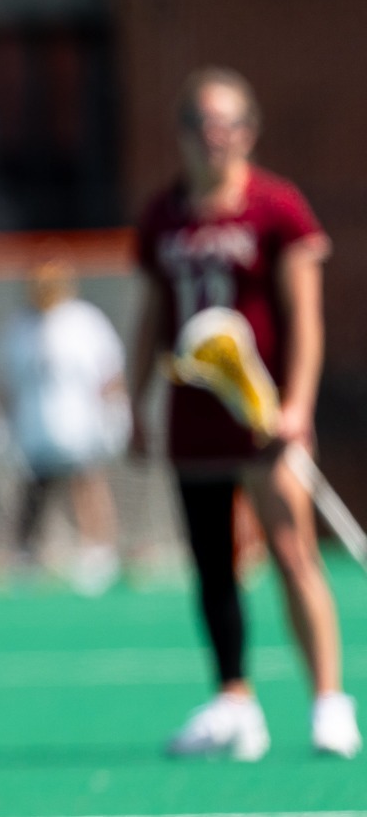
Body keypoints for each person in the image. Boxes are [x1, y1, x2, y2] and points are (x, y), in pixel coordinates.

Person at [132, 66, 358, 760]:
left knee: (291, 549)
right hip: (196, 414)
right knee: (212, 563)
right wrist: (135, 399)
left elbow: (305, 315)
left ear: (250, 131)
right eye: (202, 124)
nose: (215, 138)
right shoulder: (163, 214)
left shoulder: (276, 206)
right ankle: (234, 700)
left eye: (228, 124)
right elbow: (151, 316)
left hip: (264, 413)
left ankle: (328, 700)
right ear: (183, 135)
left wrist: (297, 403)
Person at [0, 257, 128, 595]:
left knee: (87, 483)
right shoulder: (19, 327)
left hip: (81, 421)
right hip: (36, 423)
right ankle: (25, 554)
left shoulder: (85, 321)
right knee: (34, 490)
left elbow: (110, 371)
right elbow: (5, 379)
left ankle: (99, 550)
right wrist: (7, 419)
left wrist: (113, 411)